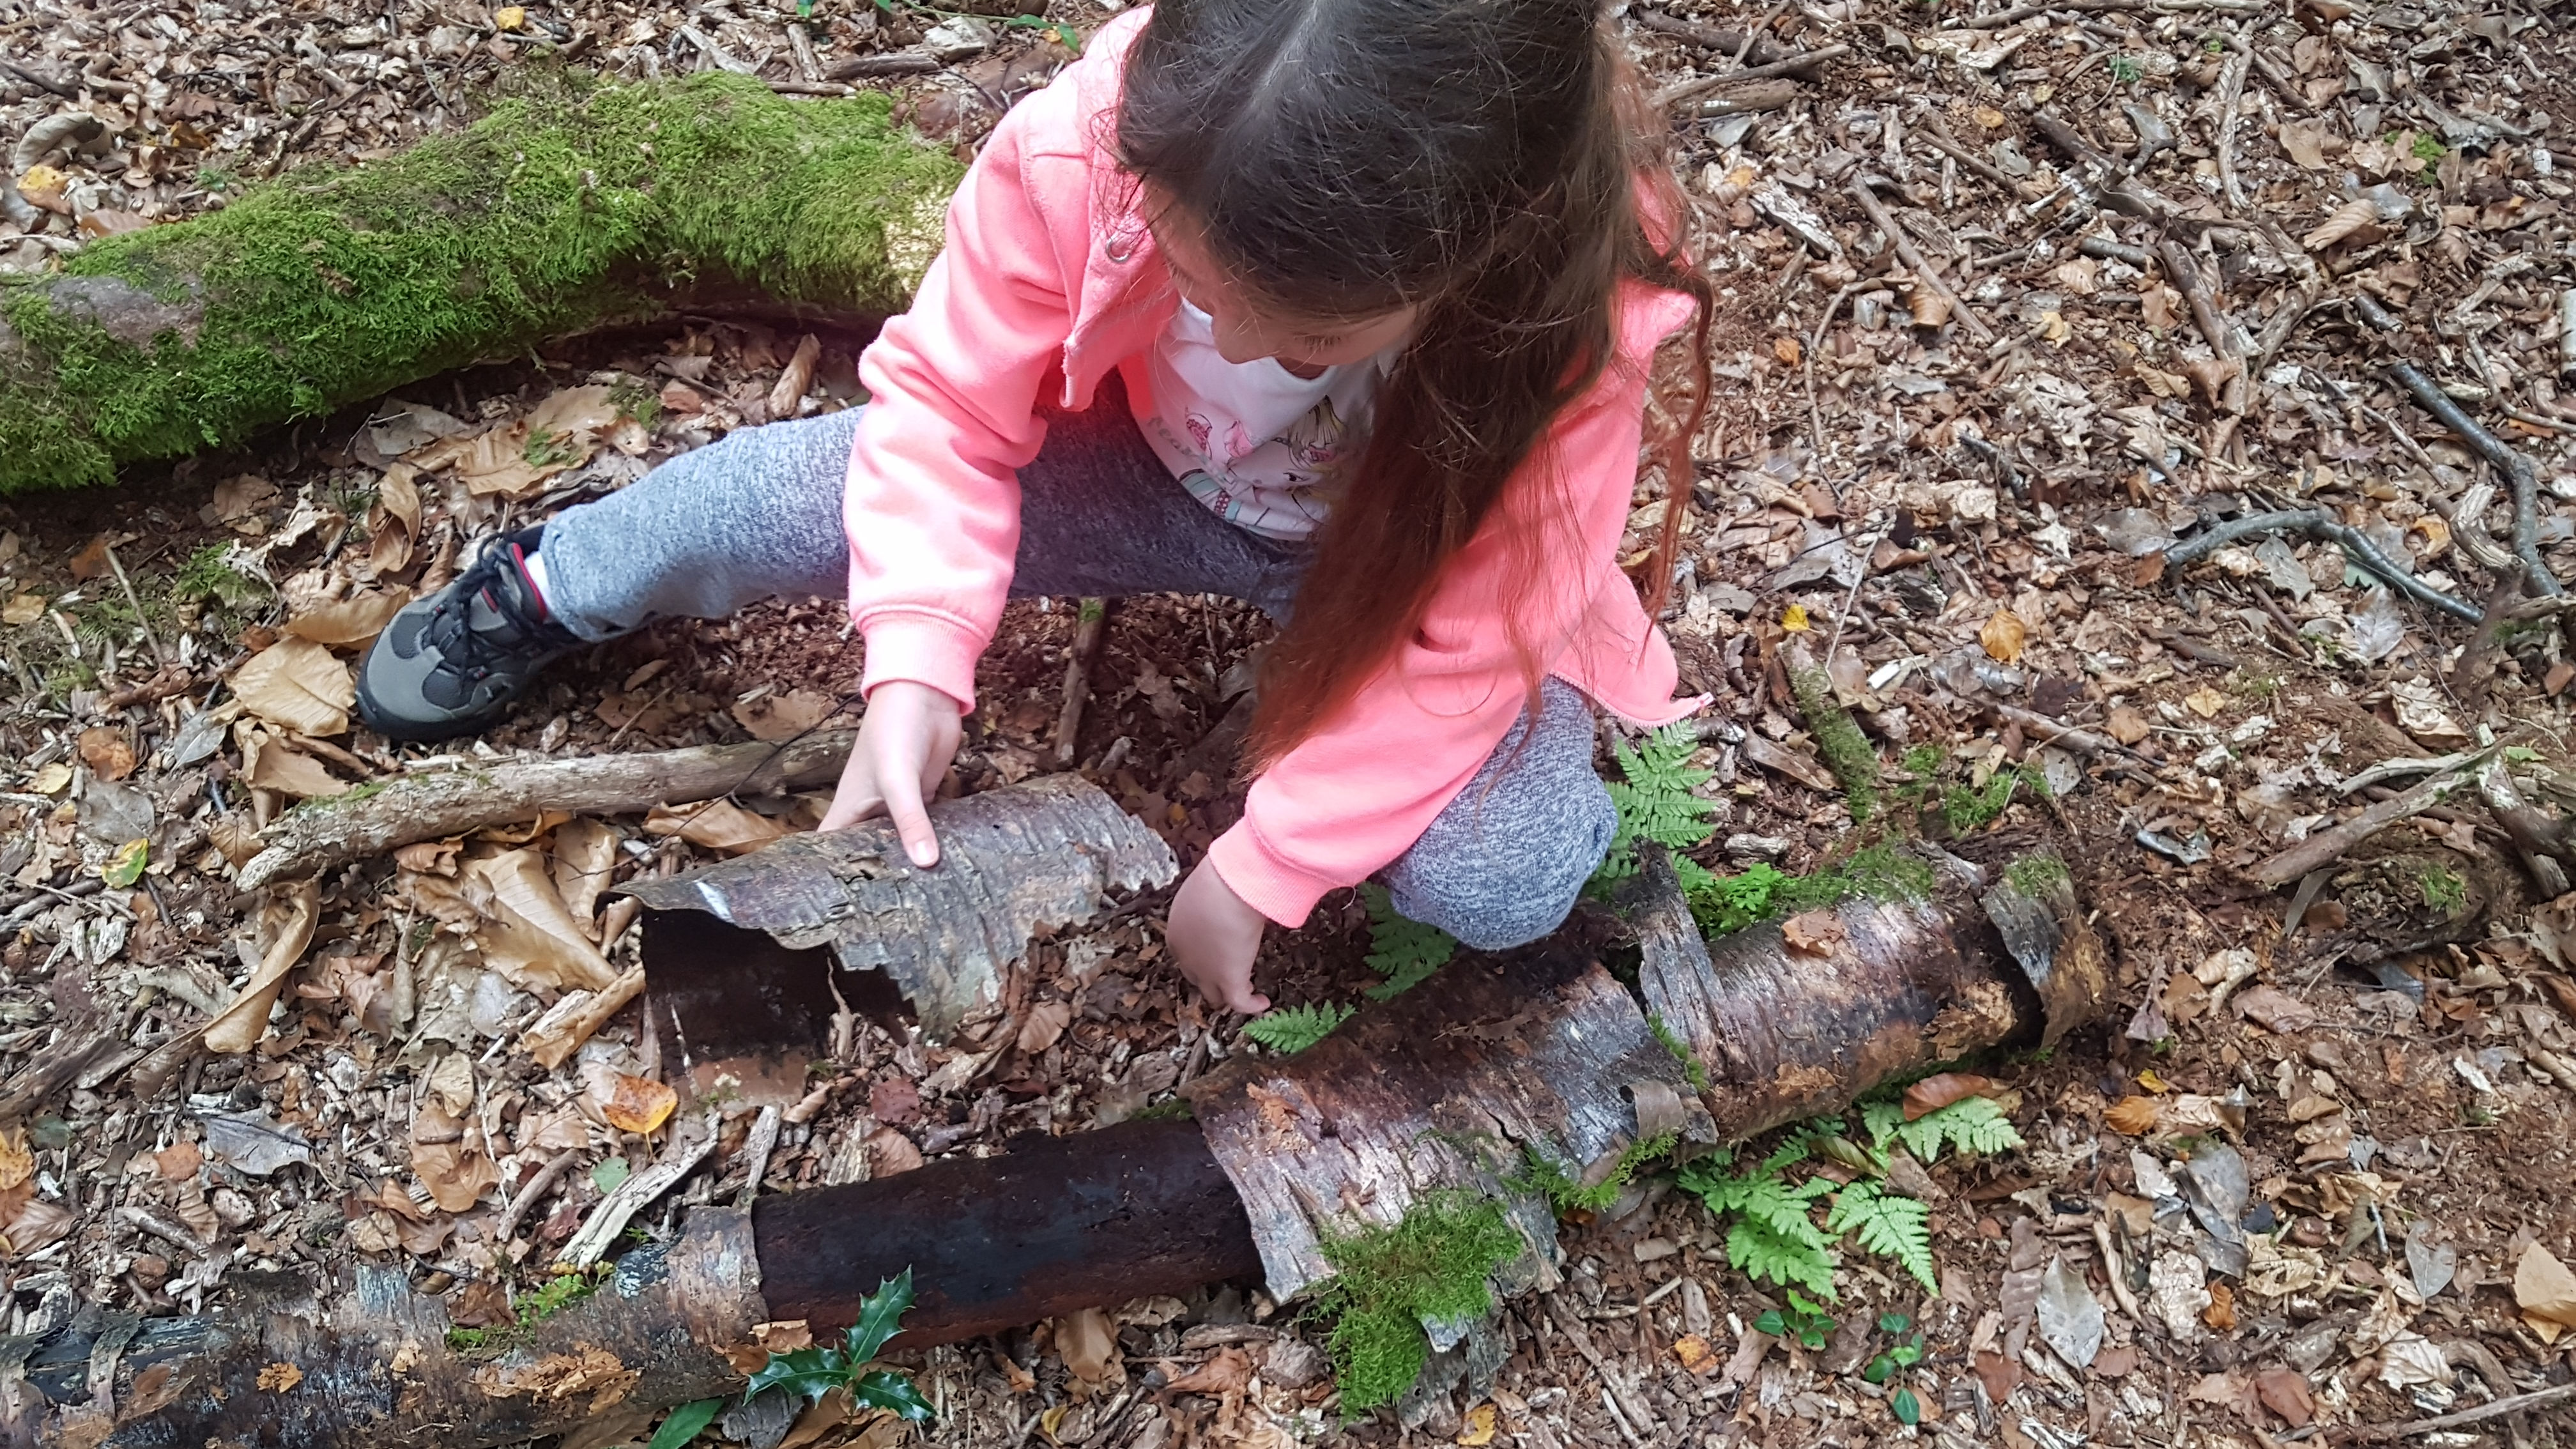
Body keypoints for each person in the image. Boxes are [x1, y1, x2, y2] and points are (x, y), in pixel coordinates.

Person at [356, 0, 1713, 1018]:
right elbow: (945, 407)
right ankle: (552, 581)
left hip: (1391, 563)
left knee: (1509, 881)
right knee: (778, 491)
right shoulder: (1090, 146)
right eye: (1193, 281)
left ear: (1482, 242)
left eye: (1306, 340)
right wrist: (918, 653)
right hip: (1128, 461)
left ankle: (1520, 777)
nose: (1233, 339)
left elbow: (1481, 637)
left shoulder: (1574, 304)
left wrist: (1273, 861)